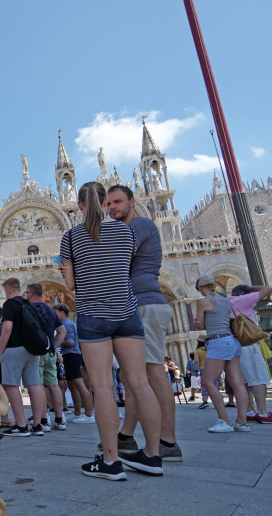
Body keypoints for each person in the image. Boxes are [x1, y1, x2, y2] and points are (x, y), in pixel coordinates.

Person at [60, 181, 161, 480]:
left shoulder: (71, 237)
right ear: (105, 203)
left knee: (103, 386)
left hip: (93, 315)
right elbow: (121, 266)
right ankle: (154, 457)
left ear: (79, 205)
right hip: (127, 313)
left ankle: (110, 461)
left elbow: (70, 285)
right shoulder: (126, 231)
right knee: (140, 383)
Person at [105, 184, 182, 461]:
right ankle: (125, 436)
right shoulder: (124, 228)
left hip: (147, 304)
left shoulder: (139, 225)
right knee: (132, 377)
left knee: (151, 373)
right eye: (108, 204)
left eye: (117, 201)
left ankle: (168, 443)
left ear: (132, 201)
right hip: (136, 304)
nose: (112, 207)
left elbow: (116, 256)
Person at [192, 275, 250, 433]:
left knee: (208, 382)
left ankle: (224, 421)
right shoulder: (226, 301)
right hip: (232, 341)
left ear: (200, 288)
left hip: (218, 342)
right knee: (237, 382)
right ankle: (242, 421)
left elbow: (200, 324)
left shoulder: (204, 301)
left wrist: (196, 323)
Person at [227, 285, 272, 424]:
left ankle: (249, 412)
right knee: (259, 379)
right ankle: (263, 413)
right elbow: (268, 289)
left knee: (245, 381)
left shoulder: (227, 301)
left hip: (235, 347)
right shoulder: (243, 299)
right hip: (248, 345)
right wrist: (251, 287)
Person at [0, 278, 48, 437]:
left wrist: (1, 349)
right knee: (34, 384)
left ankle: (21, 425)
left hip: (14, 348)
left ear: (8, 290)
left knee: (11, 385)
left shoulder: (10, 304)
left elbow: (7, 327)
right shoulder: (28, 304)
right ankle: (38, 424)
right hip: (32, 349)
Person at [26, 283, 66, 431]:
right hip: (50, 352)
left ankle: (43, 420)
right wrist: (54, 347)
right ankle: (60, 420)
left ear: (31, 294)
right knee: (54, 385)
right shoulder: (50, 310)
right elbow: (62, 331)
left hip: (36, 352)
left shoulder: (29, 308)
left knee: (39, 385)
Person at [52, 303, 93, 424]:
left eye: (55, 312)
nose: (54, 315)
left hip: (72, 355)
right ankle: (77, 412)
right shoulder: (66, 324)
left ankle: (89, 414)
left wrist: (57, 340)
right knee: (71, 385)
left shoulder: (67, 325)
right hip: (68, 356)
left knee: (79, 384)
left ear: (62, 312)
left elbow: (70, 342)